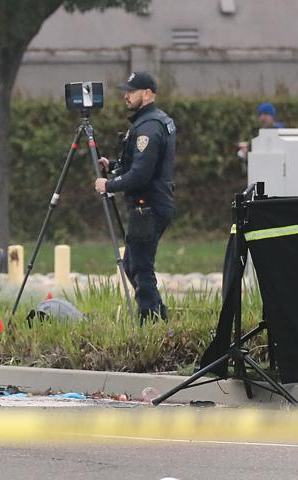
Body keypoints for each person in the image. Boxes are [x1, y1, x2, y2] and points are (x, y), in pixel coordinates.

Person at [95, 71, 176, 323]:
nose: (126, 96)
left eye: (132, 91)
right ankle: (158, 317)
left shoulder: (148, 127)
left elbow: (141, 174)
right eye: (125, 91)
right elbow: (140, 163)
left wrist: (109, 185)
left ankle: (151, 323)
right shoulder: (152, 121)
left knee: (140, 267)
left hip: (147, 207)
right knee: (132, 264)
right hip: (152, 204)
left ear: (148, 93)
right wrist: (114, 165)